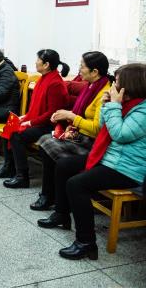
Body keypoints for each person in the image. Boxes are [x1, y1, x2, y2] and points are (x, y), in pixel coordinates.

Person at [40, 64, 146, 260]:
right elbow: (104, 127)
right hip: (111, 158)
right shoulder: (126, 104)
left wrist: (112, 105)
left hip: (127, 168)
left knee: (76, 184)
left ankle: (86, 242)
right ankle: (62, 214)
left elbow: (120, 134)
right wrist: (108, 105)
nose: (113, 86)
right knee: (63, 165)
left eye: (117, 83)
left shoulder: (143, 111)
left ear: (130, 86)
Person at [30, 52, 111, 211]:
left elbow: (97, 128)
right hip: (81, 135)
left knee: (52, 149)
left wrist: (71, 117)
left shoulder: (104, 93)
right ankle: (49, 194)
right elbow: (80, 114)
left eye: (82, 66)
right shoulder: (90, 86)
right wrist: (70, 127)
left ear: (95, 71)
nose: (79, 69)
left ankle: (52, 196)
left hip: (92, 143)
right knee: (46, 142)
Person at [0, 49, 70, 188]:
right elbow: (37, 106)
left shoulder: (55, 83)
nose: (35, 62)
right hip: (40, 121)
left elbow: (52, 113)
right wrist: (26, 116)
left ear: (46, 65)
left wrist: (30, 122)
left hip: (49, 125)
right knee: (10, 126)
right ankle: (9, 167)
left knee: (17, 135)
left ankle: (22, 176)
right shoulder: (44, 78)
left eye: (38, 60)